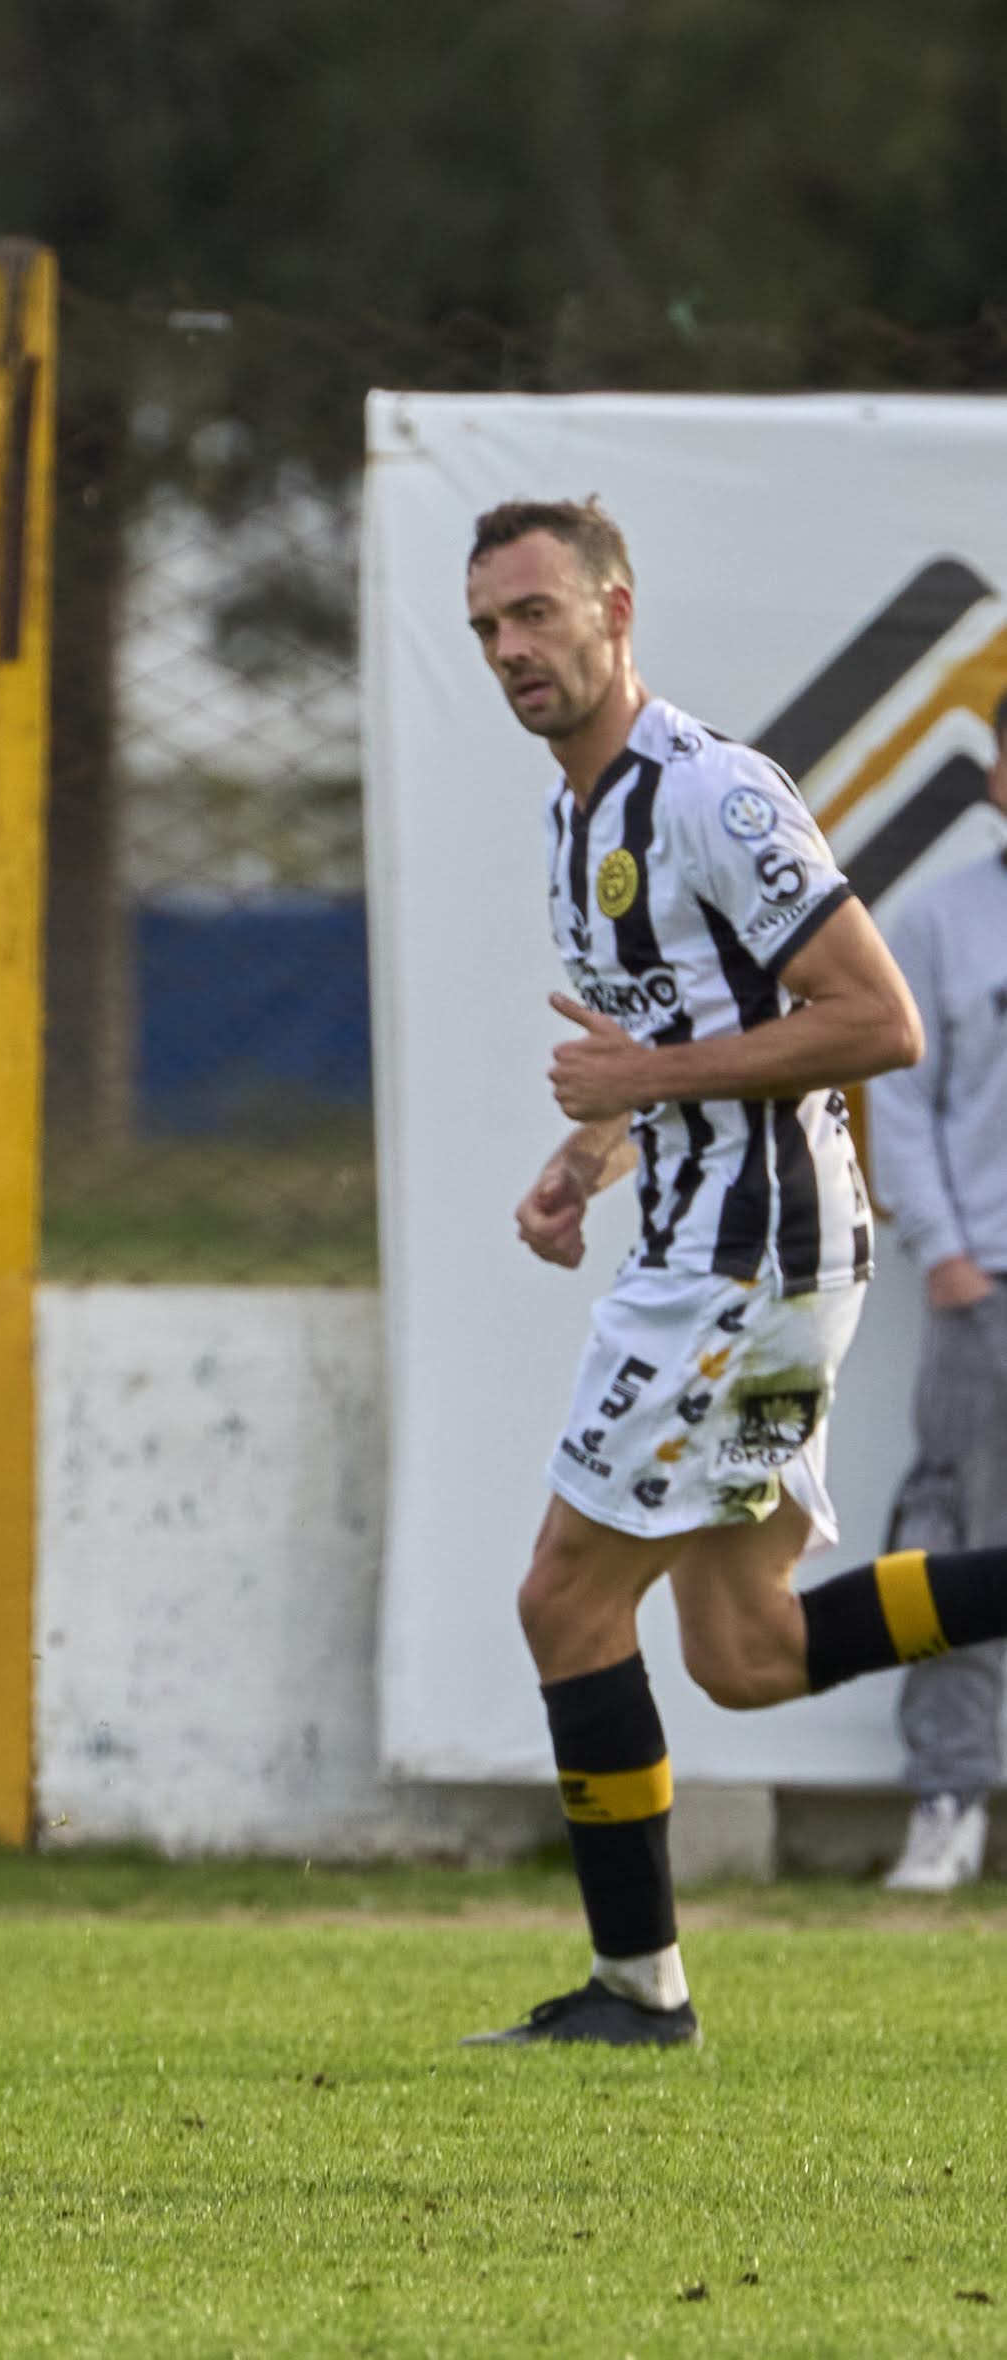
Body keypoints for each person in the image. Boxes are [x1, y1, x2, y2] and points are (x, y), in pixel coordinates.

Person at [460, 496, 1007, 2044]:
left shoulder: (712, 797)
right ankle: (638, 1994)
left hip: (744, 1267)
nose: (512, 650)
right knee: (745, 1651)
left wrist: (640, 1093)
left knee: (564, 1597)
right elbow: (681, 1055)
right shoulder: (578, 816)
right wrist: (584, 1164)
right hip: (738, 1252)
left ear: (613, 613)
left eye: (536, 616)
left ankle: (638, 1996)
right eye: (488, 629)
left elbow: (874, 1023)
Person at [866, 727, 1007, 1890]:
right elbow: (898, 1102)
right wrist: (944, 1251)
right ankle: (950, 1796)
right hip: (985, 1296)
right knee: (952, 1551)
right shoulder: (936, 918)